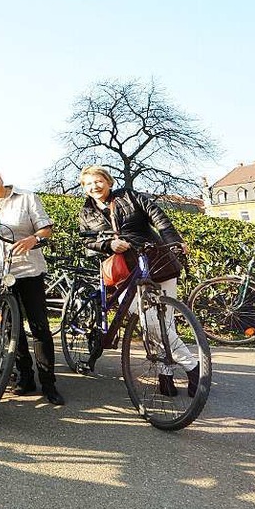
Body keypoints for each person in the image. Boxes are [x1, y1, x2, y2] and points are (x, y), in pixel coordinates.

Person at [77, 165, 199, 396]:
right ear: (84, 188)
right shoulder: (86, 213)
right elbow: (87, 242)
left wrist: (173, 240)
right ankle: (193, 367)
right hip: (124, 271)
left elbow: (157, 216)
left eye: (99, 181)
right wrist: (108, 245)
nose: (95, 186)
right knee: (149, 322)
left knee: (165, 322)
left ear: (109, 181)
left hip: (156, 260)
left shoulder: (129, 196)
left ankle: (166, 375)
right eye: (89, 183)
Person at [0, 161, 64, 406]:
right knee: (9, 326)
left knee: (39, 326)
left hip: (28, 268)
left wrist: (33, 239)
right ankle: (25, 376)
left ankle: (49, 383)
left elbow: (46, 228)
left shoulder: (26, 197)